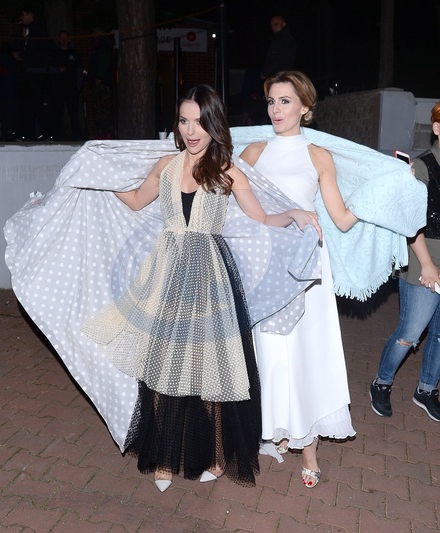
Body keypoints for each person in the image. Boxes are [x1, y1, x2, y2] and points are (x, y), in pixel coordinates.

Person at [80, 84, 323, 492]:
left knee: (209, 367)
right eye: (183, 121)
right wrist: (96, 182)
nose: (191, 131)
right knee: (161, 365)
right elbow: (136, 200)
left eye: (199, 122)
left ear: (213, 124)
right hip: (165, 275)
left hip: (210, 278)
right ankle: (162, 458)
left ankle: (215, 456)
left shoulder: (227, 168)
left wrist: (294, 214)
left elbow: (261, 218)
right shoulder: (166, 165)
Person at [240, 71, 358, 489]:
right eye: (272, 101)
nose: (276, 109)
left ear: (305, 107)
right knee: (270, 353)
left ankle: (308, 448)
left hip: (307, 265)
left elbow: (341, 218)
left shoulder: (318, 156)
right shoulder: (253, 152)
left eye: (285, 101)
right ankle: (275, 427)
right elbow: (237, 207)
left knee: (307, 352)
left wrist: (383, 196)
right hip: (266, 264)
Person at [370, 101, 440, 422]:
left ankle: (426, 389)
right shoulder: (422, 166)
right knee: (411, 331)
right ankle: (382, 382)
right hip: (425, 258)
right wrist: (427, 264)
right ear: (437, 128)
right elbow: (411, 222)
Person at [11, 4, 53, 141]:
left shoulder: (37, 29)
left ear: (30, 15)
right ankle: (40, 132)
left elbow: (36, 49)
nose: (22, 18)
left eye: (24, 15)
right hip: (31, 70)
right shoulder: (30, 29)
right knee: (34, 101)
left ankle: (27, 132)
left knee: (31, 101)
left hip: (36, 70)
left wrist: (21, 54)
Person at [50, 30, 84, 141]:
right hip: (58, 89)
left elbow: (79, 70)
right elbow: (49, 69)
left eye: (65, 38)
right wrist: (57, 70)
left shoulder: (74, 54)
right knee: (58, 113)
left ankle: (77, 135)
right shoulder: (54, 53)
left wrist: (78, 86)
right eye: (62, 38)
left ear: (69, 39)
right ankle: (58, 136)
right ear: (58, 39)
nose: (64, 40)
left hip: (72, 89)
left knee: (73, 113)